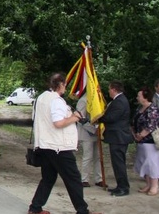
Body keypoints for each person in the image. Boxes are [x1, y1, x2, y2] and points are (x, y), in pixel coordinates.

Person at [28, 73, 100, 214]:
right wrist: (74, 117)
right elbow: (58, 123)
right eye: (65, 84)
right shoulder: (56, 101)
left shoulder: (41, 98)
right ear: (60, 84)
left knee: (48, 178)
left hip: (45, 145)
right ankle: (82, 211)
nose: (66, 87)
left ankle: (35, 208)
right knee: (73, 179)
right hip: (58, 147)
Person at [96, 80, 133, 196]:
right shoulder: (118, 101)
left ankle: (124, 187)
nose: (108, 91)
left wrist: (99, 118)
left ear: (114, 89)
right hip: (116, 137)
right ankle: (120, 185)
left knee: (119, 164)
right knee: (117, 163)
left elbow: (112, 117)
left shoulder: (120, 101)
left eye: (109, 89)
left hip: (119, 137)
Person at [131, 87, 159, 196]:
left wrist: (141, 135)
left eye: (139, 96)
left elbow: (151, 125)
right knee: (144, 163)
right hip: (141, 141)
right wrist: (135, 134)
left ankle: (155, 186)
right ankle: (148, 184)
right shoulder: (140, 108)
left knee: (152, 164)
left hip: (151, 141)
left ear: (145, 97)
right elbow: (134, 121)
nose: (137, 97)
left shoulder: (152, 109)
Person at [75, 92, 103, 188]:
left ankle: (99, 179)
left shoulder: (97, 99)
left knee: (98, 157)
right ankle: (84, 179)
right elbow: (80, 118)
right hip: (86, 133)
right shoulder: (83, 101)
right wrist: (93, 129)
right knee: (88, 156)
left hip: (96, 131)